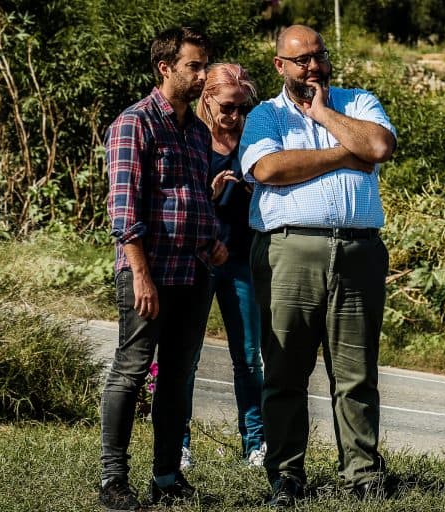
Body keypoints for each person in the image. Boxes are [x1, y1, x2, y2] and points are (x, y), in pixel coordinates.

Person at [239, 24, 397, 507]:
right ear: (279, 66)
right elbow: (268, 169)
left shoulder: (358, 101)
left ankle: (362, 474)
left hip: (358, 251)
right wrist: (343, 155)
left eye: (319, 56)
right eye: (301, 59)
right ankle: (286, 474)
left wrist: (324, 113)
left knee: (356, 374)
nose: (313, 66)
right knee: (285, 370)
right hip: (290, 250)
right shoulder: (265, 115)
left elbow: (379, 148)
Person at [99, 27, 227, 511]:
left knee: (177, 377)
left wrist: (211, 240)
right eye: (194, 66)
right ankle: (113, 480)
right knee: (131, 372)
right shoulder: (135, 123)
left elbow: (194, 197)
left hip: (193, 273)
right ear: (165, 68)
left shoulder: (198, 132)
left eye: (205, 65)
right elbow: (123, 208)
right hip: (149, 273)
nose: (203, 75)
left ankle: (167, 477)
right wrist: (140, 274)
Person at [181, 63, 265, 470]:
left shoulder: (254, 140)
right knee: (186, 356)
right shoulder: (192, 137)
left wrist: (259, 189)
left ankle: (256, 442)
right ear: (207, 98)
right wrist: (209, 195)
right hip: (198, 260)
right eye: (227, 107)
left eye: (242, 107)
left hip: (242, 260)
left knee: (248, 357)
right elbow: (176, 200)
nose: (234, 115)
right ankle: (178, 442)